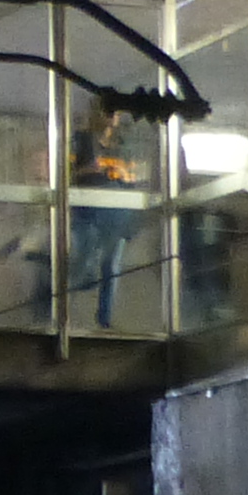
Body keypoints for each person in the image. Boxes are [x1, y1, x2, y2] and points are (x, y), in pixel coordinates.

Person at [66, 99, 142, 327]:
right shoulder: (81, 140)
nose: (111, 117)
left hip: (116, 215)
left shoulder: (123, 145)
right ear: (95, 114)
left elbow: (133, 179)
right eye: (107, 112)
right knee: (83, 264)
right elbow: (66, 177)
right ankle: (65, 316)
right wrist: (88, 170)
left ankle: (104, 320)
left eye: (114, 112)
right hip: (88, 212)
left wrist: (120, 173)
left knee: (111, 267)